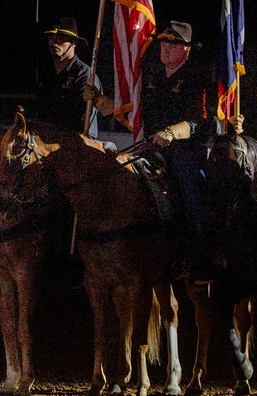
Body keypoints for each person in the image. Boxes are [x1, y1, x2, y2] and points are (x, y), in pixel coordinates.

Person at [82, 20, 214, 283]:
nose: (165, 48)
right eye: (164, 42)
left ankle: (203, 260)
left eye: (173, 43)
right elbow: (131, 111)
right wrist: (98, 101)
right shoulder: (150, 74)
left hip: (184, 150)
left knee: (192, 195)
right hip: (149, 146)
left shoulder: (195, 77)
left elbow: (199, 120)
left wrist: (172, 132)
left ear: (186, 49)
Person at [35, 16, 100, 138]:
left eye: (60, 38)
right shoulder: (45, 72)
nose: (54, 42)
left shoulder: (85, 75)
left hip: (77, 142)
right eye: (51, 38)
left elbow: (81, 118)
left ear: (74, 42)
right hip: (46, 140)